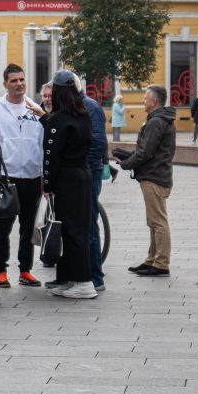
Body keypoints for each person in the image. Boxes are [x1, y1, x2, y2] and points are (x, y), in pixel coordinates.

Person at [0, 64, 45, 289]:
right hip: (5, 177)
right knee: (2, 228)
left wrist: (42, 174)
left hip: (31, 176)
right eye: (14, 81)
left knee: (28, 227)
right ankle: (0, 270)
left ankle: (25, 270)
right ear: (5, 84)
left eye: (22, 80)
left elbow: (42, 143)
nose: (19, 84)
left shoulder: (35, 108)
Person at [40, 72, 96, 299]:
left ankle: (83, 282)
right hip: (82, 175)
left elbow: (50, 156)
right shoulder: (82, 115)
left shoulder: (58, 119)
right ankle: (68, 278)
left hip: (67, 180)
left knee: (72, 232)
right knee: (74, 230)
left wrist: (47, 183)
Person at [114, 85, 176, 277]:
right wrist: (127, 157)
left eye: (145, 98)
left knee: (158, 222)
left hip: (154, 177)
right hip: (156, 175)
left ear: (154, 102)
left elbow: (145, 153)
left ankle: (161, 263)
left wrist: (126, 164)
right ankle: (152, 260)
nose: (143, 100)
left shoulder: (156, 122)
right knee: (153, 222)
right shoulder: (159, 121)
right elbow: (148, 150)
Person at [82, 83, 110, 292]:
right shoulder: (72, 105)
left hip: (87, 173)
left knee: (89, 222)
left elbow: (97, 143)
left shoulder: (89, 106)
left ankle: (95, 276)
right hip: (80, 173)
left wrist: (86, 170)